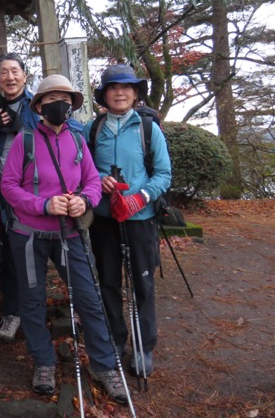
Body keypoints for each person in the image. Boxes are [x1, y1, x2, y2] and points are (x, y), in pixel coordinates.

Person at [0, 75, 127, 403]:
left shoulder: (77, 139)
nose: (60, 103)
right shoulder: (24, 140)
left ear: (72, 105)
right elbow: (9, 186)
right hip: (28, 235)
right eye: (52, 98)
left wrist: (84, 200)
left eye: (65, 98)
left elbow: (92, 181)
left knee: (90, 298)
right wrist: (43, 203)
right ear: (39, 106)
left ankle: (103, 365)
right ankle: (43, 362)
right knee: (32, 301)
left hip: (70, 232)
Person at [0, 53, 84, 343]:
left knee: (67, 254)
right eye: (3, 72)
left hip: (49, 195)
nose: (9, 77)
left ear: (25, 76)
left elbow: (68, 131)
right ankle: (14, 312)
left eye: (15, 71)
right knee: (11, 257)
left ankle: (79, 304)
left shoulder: (41, 104)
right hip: (7, 196)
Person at [85, 64, 172, 378]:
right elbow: (81, 170)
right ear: (104, 95)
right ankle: (113, 340)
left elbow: (163, 174)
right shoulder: (93, 130)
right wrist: (98, 179)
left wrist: (141, 197)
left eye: (126, 87)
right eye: (112, 88)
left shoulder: (148, 129)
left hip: (140, 219)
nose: (119, 93)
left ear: (136, 93)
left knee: (142, 283)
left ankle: (143, 346)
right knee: (107, 281)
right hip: (104, 219)